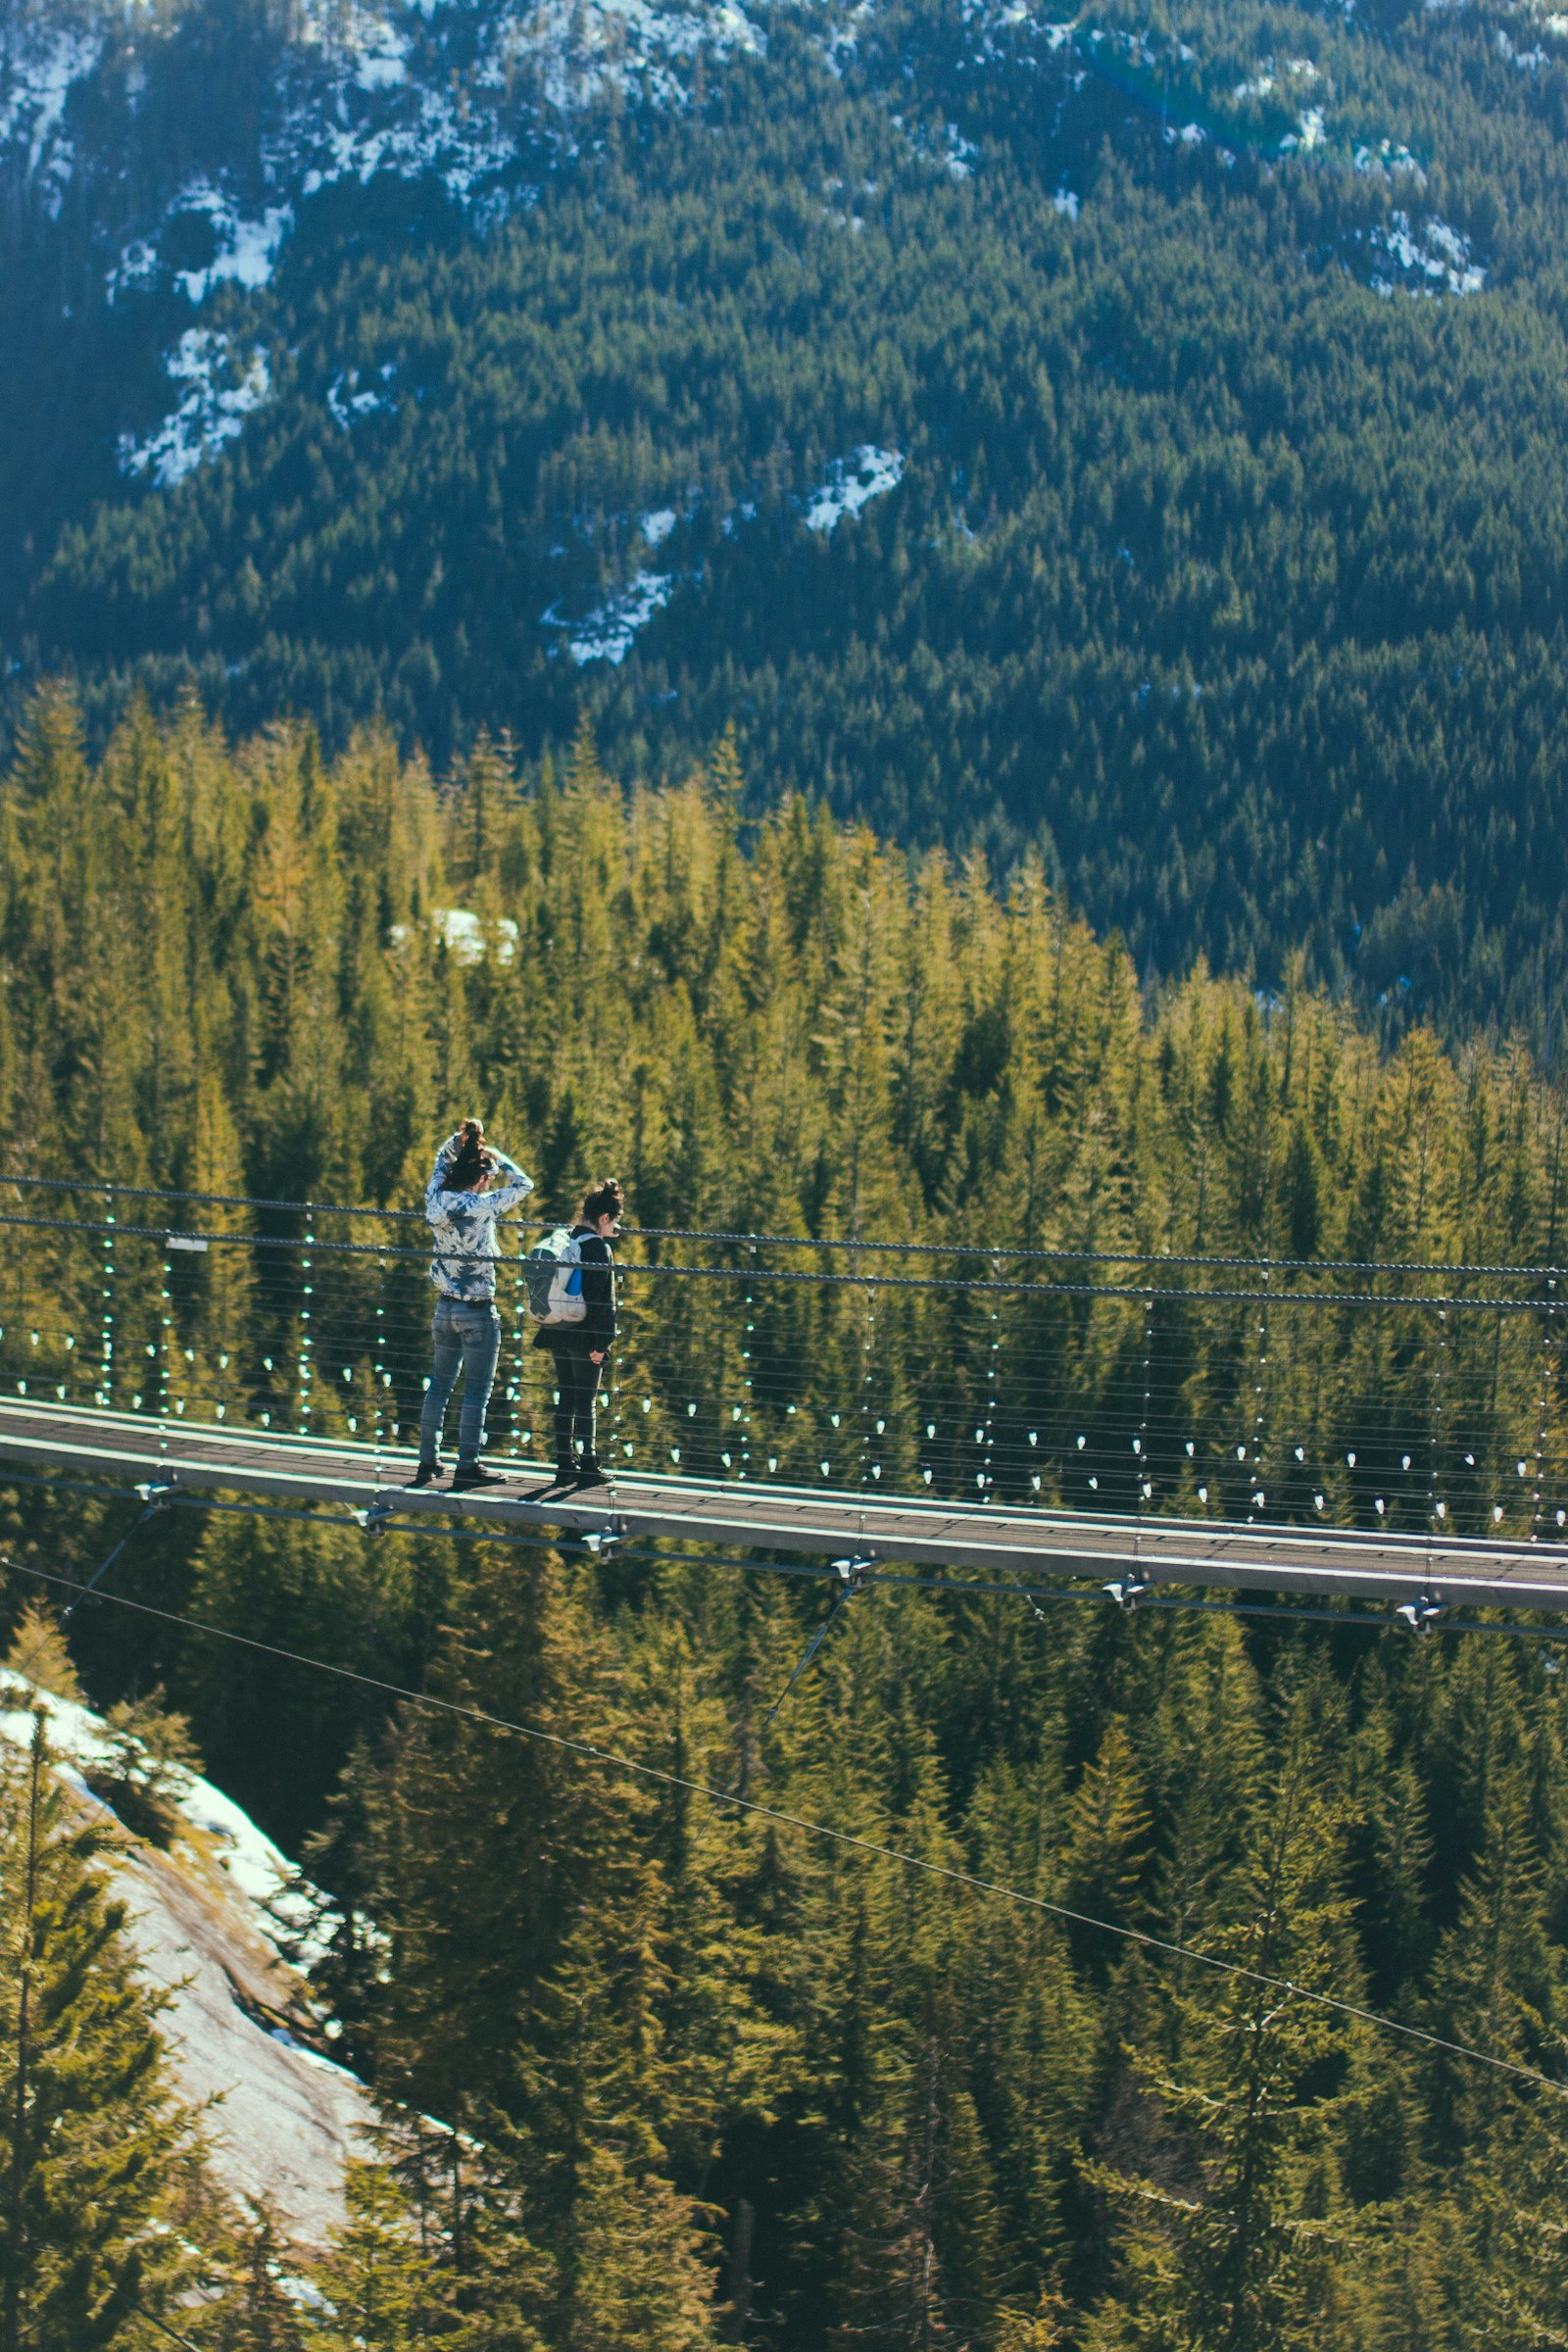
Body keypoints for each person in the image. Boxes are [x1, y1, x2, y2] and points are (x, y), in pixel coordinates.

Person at [414, 1118, 534, 1491]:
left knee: (439, 1386)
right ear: (481, 1178)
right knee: (476, 1390)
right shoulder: (483, 1205)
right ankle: (467, 1464)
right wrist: (495, 1154)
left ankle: (428, 1461)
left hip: (444, 1306)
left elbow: (439, 1161)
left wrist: (459, 1142)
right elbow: (525, 1185)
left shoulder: (436, 1199)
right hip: (478, 1309)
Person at [536, 1178, 623, 1487]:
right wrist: (604, 1342)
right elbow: (602, 1300)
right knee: (586, 1399)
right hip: (585, 1334)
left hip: (557, 1328)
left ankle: (564, 1463)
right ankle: (588, 1463)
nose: (615, 1227)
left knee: (567, 1395)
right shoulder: (597, 1247)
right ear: (603, 1219)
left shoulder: (566, 1239)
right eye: (614, 1221)